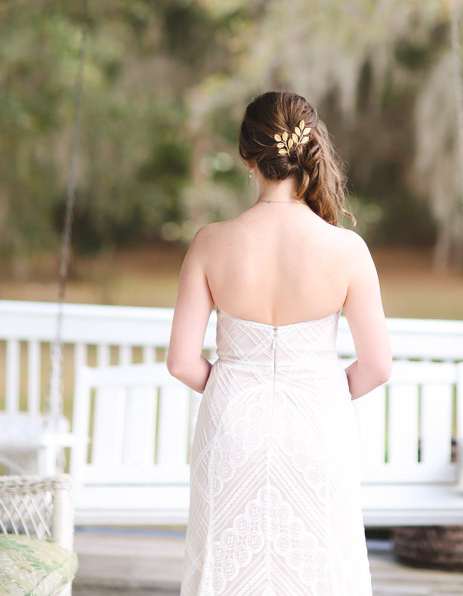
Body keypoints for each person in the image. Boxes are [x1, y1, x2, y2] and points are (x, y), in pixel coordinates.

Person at [167, 89, 392, 595]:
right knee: (318, 568)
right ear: (309, 150)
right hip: (318, 427)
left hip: (231, 430)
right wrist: (319, 389)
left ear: (248, 158)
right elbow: (377, 365)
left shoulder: (210, 242)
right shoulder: (347, 249)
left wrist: (235, 382)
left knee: (226, 570)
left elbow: (182, 362)